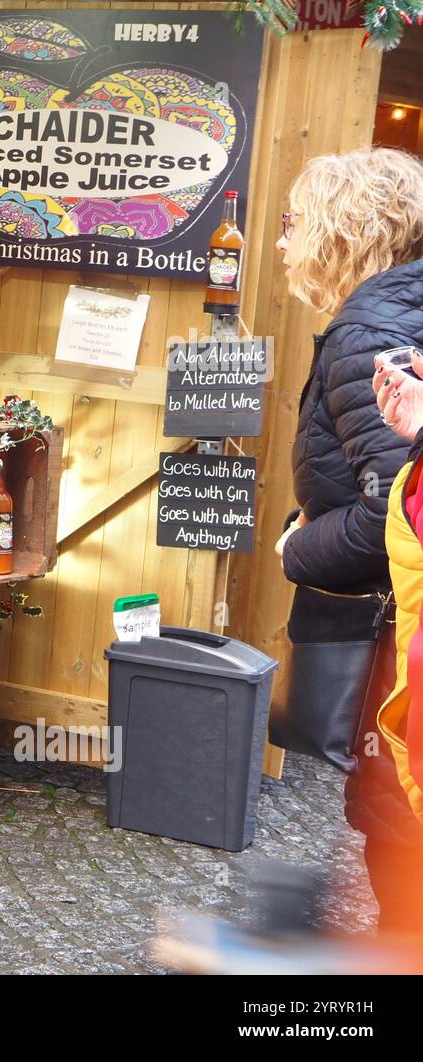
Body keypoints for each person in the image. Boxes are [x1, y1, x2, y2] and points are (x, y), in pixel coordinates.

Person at [277, 147, 423, 936]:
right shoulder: (401, 311)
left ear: (344, 230)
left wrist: (298, 548)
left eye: (295, 223)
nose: (282, 242)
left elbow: (398, 513)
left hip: (402, 642)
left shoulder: (370, 328)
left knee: (396, 822)